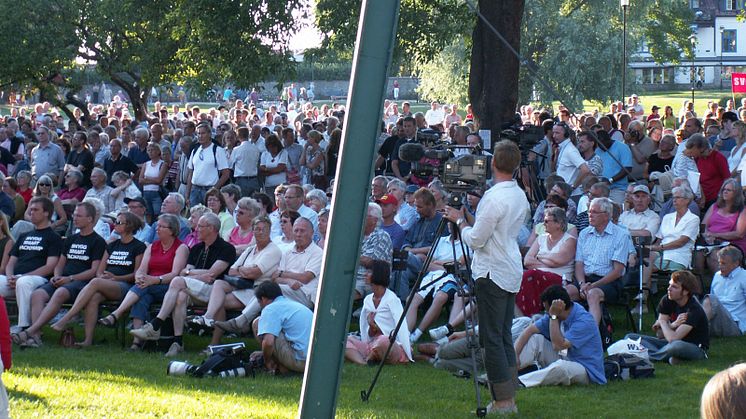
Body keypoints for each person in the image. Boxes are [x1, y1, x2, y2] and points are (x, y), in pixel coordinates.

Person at [443, 140, 529, 415]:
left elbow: (477, 239)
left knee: (491, 338)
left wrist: (459, 221)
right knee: (502, 334)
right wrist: (468, 218)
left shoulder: (494, 197)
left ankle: (503, 402)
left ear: (493, 163)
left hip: (492, 270)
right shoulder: (518, 194)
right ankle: (508, 399)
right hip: (509, 266)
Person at [129, 213, 236, 356]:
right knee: (180, 295)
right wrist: (195, 274)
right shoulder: (197, 248)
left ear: (211, 228)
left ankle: (155, 325)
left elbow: (211, 275)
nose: (196, 229)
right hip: (195, 289)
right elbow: (185, 271)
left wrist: (190, 273)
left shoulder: (226, 248)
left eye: (200, 226)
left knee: (177, 281)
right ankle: (178, 342)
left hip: (215, 291)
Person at [12, 202, 106, 347]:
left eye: (79, 216)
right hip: (62, 279)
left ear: (90, 219)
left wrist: (70, 278)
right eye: (74, 215)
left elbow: (93, 271)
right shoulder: (71, 239)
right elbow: (60, 263)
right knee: (37, 295)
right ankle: (35, 337)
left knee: (61, 292)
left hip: (81, 282)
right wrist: (56, 276)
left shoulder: (98, 241)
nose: (75, 218)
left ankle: (31, 331)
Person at [50, 212, 146, 346]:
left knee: (95, 282)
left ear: (129, 226)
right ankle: (87, 340)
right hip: (105, 283)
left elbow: (137, 274)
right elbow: (99, 270)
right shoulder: (111, 245)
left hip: (124, 286)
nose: (114, 225)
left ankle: (67, 317)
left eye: (118, 223)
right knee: (93, 297)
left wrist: (115, 278)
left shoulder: (139, 247)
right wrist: (103, 277)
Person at [99, 214, 189, 352]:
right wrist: (140, 277)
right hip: (148, 285)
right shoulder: (152, 247)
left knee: (142, 289)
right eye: (157, 226)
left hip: (168, 287)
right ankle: (137, 343)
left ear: (171, 230)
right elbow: (141, 270)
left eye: (161, 226)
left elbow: (175, 274)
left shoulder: (180, 248)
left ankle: (116, 314)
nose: (157, 229)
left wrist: (154, 280)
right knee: (141, 298)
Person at [514, 285, 606, 387]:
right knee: (537, 339)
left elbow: (558, 346)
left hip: (587, 370)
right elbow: (529, 330)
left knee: (562, 368)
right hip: (566, 356)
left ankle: (520, 383)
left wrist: (553, 317)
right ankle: (508, 370)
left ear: (559, 308)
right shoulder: (555, 314)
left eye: (547, 310)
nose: (546, 313)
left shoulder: (584, 321)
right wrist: (515, 354)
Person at [0, 197, 62, 333]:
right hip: (15, 279)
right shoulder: (24, 236)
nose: (31, 213)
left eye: (35, 210)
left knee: (24, 282)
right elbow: (11, 263)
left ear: (46, 213)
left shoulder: (54, 238)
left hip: (39, 279)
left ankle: (25, 327)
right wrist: (10, 277)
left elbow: (50, 266)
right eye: (31, 210)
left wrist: (22, 276)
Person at [625, 270, 709, 364]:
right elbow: (660, 335)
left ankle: (645, 356)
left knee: (675, 346)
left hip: (694, 347)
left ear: (685, 291)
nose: (669, 289)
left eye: (674, 287)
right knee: (630, 337)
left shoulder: (693, 309)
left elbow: (673, 338)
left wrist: (663, 322)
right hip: (668, 344)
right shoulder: (667, 300)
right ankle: (671, 358)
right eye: (669, 285)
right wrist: (672, 325)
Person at [571, 197, 631, 324]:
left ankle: (591, 335)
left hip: (609, 282)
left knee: (592, 294)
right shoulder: (584, 234)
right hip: (585, 280)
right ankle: (563, 333)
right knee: (566, 292)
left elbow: (617, 271)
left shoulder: (621, 235)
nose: (590, 215)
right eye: (589, 212)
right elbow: (579, 263)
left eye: (594, 212)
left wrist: (592, 286)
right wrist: (582, 284)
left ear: (606, 215)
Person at [346, 259, 412, 365]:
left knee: (384, 341)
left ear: (378, 274)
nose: (365, 275)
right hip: (371, 344)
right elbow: (368, 332)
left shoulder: (392, 299)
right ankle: (363, 362)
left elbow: (401, 326)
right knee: (345, 340)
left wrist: (406, 349)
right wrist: (371, 326)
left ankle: (372, 356)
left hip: (390, 345)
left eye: (369, 272)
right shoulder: (368, 300)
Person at [520, 207, 576, 317]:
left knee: (530, 275)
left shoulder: (569, 240)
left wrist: (539, 256)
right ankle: (529, 315)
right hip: (537, 276)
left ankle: (530, 315)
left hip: (560, 278)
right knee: (527, 276)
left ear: (558, 224)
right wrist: (549, 262)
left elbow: (559, 260)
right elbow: (527, 261)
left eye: (546, 221)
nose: (543, 224)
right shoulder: (541, 238)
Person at [250, 281, 313, 374]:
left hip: (300, 361)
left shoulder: (270, 308)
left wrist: (266, 360)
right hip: (315, 361)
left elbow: (268, 342)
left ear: (263, 299)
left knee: (258, 323)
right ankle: (283, 365)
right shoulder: (294, 305)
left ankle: (276, 366)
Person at [698, 178, 746, 273]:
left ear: (736, 194)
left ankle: (721, 285)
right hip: (711, 241)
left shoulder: (742, 210)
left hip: (732, 244)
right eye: (724, 189)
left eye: (728, 190)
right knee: (697, 255)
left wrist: (715, 235)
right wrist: (706, 235)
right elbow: (703, 225)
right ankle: (700, 286)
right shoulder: (715, 206)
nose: (725, 192)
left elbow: (739, 234)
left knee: (716, 255)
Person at [701, 246, 746, 337]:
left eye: (723, 263)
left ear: (736, 263)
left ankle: (695, 328)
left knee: (710, 299)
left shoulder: (744, 277)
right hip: (715, 320)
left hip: (734, 324)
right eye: (719, 263)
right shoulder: (717, 275)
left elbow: (711, 302)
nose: (719, 266)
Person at [185, 123, 231, 207]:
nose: (200, 136)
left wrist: (214, 189)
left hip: (209, 190)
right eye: (198, 133)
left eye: (203, 133)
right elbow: (190, 173)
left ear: (209, 134)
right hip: (195, 190)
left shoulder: (218, 150)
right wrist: (187, 195)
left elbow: (226, 174)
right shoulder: (195, 150)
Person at [354, 203, 393, 299]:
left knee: (340, 293)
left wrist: (350, 255)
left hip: (366, 280)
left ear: (374, 220)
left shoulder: (381, 236)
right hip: (349, 276)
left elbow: (368, 261)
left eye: (364, 214)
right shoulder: (357, 235)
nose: (359, 216)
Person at [139, 142, 168, 221]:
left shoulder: (163, 164)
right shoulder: (146, 164)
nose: (150, 152)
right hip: (146, 192)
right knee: (148, 214)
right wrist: (153, 179)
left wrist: (147, 179)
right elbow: (140, 180)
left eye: (152, 150)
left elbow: (159, 180)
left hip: (157, 193)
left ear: (158, 151)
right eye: (148, 150)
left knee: (157, 214)